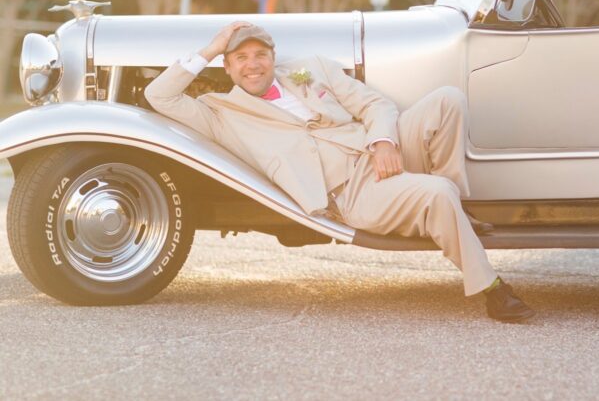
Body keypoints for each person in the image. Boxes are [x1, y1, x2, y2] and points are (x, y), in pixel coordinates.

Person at [145, 21, 534, 322]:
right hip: (351, 191)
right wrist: (212, 45)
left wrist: (384, 141)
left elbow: (375, 105)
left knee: (448, 101)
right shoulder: (219, 113)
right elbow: (158, 95)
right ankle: (493, 289)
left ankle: (456, 214)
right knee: (436, 193)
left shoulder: (307, 71)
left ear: (272, 56)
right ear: (226, 67)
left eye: (259, 54)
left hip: (378, 151)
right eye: (240, 57)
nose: (252, 64)